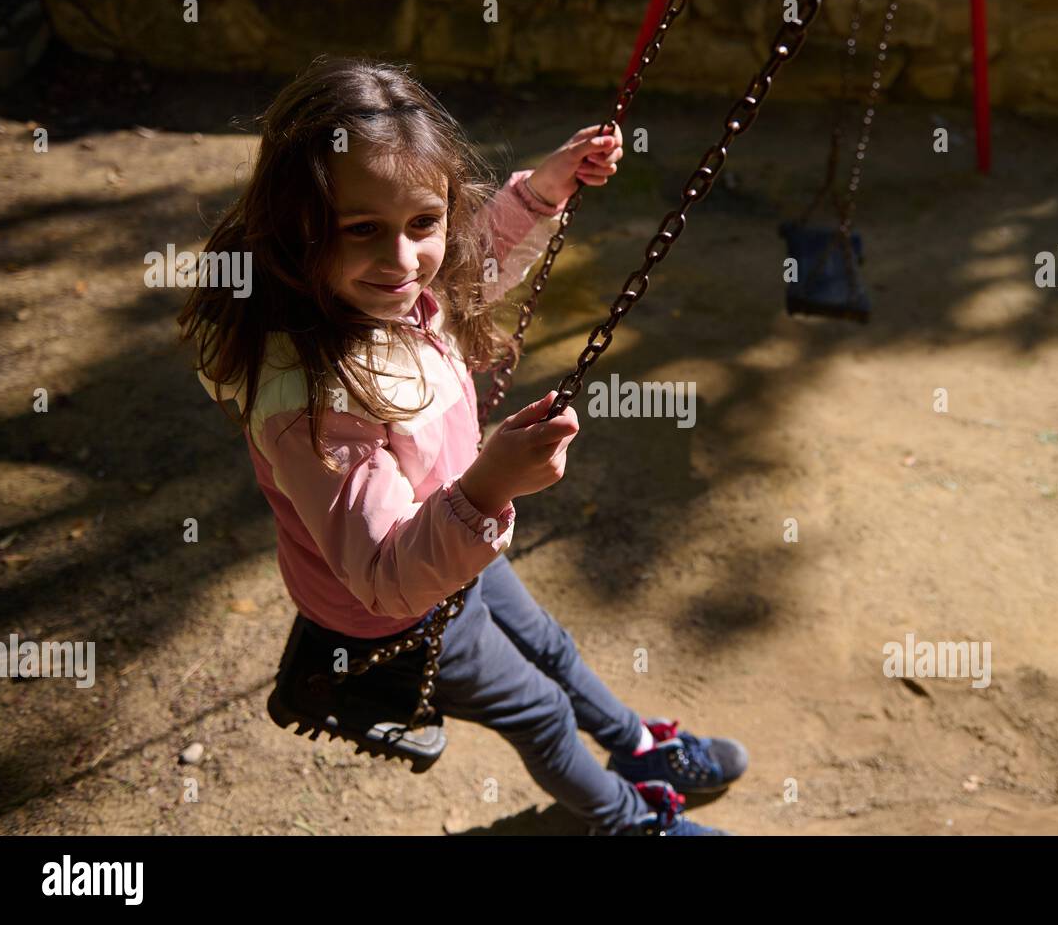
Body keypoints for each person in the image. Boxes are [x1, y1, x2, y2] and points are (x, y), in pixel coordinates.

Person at [177, 56, 747, 835]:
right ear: (295, 225)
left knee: (552, 644)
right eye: (362, 230)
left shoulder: (399, 290)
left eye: (423, 223)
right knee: (541, 711)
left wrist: (544, 189)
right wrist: (488, 486)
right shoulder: (309, 403)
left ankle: (637, 744)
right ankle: (630, 822)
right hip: (392, 611)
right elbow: (383, 573)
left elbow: (476, 259)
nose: (403, 260)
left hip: (452, 539)